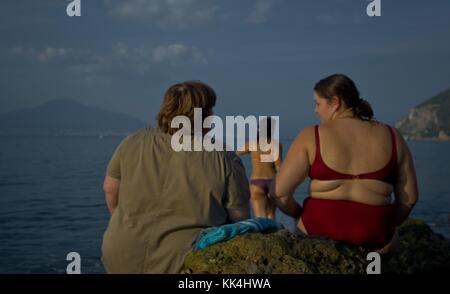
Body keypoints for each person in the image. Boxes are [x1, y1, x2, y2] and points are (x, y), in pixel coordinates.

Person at [101, 81, 250, 273]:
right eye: (211, 110)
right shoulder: (224, 157)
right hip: (183, 262)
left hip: (120, 253)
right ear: (203, 116)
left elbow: (110, 191)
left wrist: (129, 227)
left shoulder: (132, 142)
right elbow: (239, 217)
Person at [270, 74, 419, 253]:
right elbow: (409, 198)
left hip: (318, 236)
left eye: (318, 103)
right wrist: (386, 222)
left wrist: (299, 214)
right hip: (378, 239)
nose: (315, 111)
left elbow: (279, 193)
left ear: (335, 102)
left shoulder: (311, 135)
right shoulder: (393, 136)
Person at [237, 118, 282, 219]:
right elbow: (279, 166)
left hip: (256, 183)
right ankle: (273, 234)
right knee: (271, 216)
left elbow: (236, 155)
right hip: (272, 182)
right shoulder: (276, 145)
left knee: (259, 218)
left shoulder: (252, 144)